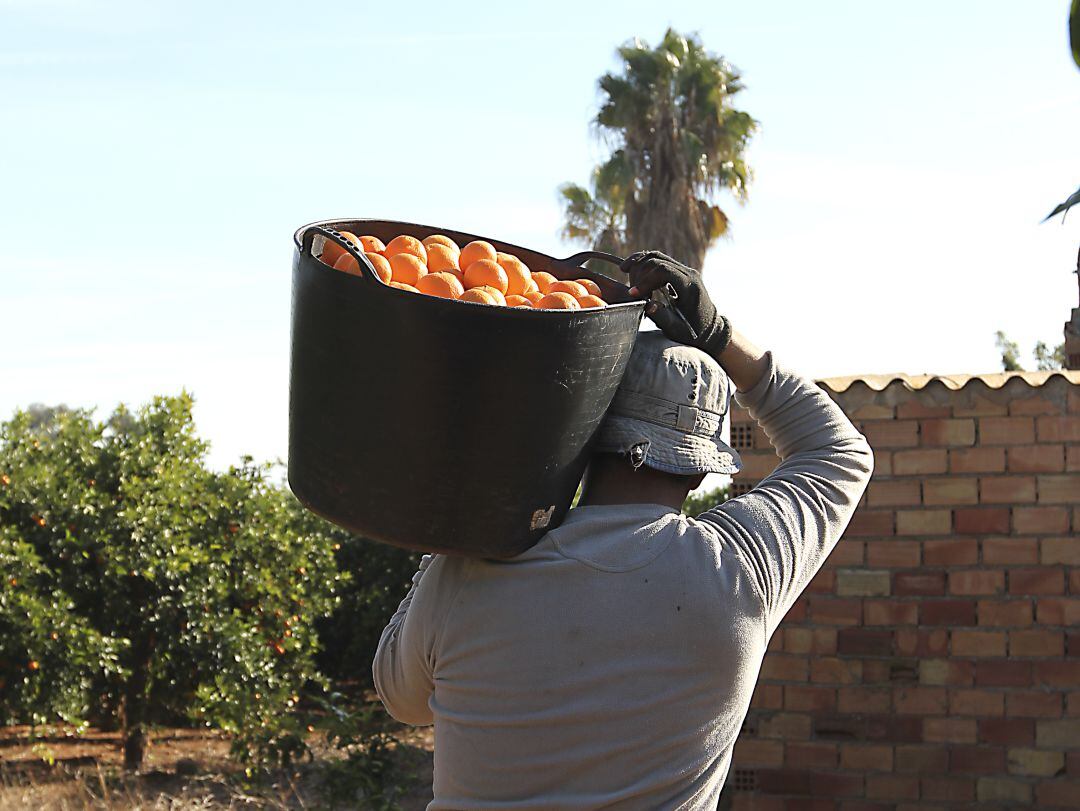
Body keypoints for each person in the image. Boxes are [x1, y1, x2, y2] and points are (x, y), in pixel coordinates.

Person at [373, 251, 874, 809]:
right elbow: (840, 450)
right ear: (697, 466)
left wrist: (452, 528)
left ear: (584, 436)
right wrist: (720, 337)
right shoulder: (741, 569)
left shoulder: (476, 567)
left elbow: (402, 697)